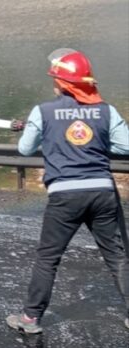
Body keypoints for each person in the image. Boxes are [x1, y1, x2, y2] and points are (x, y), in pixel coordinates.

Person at [7, 48, 129, 334]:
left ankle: (30, 319)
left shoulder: (43, 111)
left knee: (48, 258)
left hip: (65, 196)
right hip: (102, 193)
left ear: (61, 83)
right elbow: (126, 147)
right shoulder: (106, 110)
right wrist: (94, 144)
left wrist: (39, 133)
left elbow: (25, 149)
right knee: (118, 256)